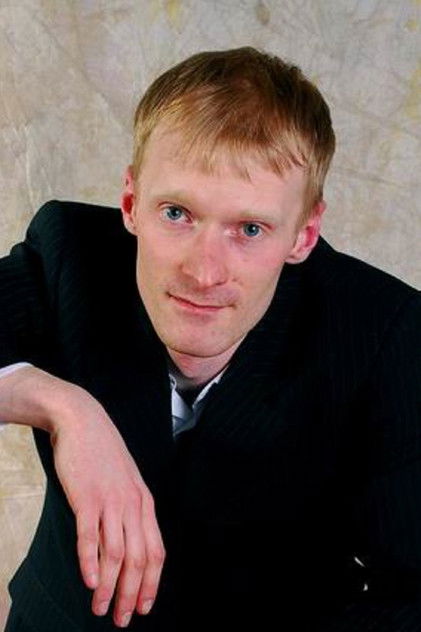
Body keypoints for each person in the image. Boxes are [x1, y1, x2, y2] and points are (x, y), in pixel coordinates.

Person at [1, 46, 420, 631]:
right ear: (131, 203)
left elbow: (412, 594)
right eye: (177, 213)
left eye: (249, 228)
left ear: (303, 235)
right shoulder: (70, 251)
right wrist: (66, 409)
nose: (204, 271)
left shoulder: (385, 330)